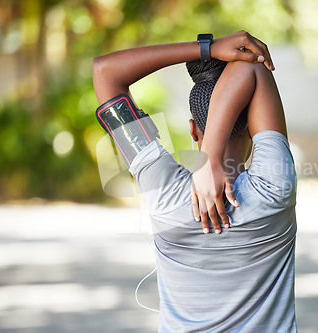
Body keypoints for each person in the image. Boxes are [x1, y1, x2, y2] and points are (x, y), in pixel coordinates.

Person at [93, 31, 298, 332]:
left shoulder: (164, 193)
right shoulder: (274, 188)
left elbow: (105, 72)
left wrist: (207, 49)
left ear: (192, 129)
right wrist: (211, 160)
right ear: (255, 129)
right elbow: (252, 65)